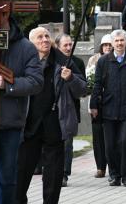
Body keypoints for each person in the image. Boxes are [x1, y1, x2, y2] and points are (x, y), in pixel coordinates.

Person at [16, 27, 87, 204]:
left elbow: (83, 90)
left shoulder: (65, 61)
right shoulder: (24, 61)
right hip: (28, 124)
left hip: (55, 123)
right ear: (31, 42)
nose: (45, 40)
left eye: (47, 36)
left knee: (53, 175)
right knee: (21, 173)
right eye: (39, 37)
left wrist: (71, 78)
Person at [0, 16, 43, 204]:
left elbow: (35, 82)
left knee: (7, 178)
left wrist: (7, 84)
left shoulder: (25, 47)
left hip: (11, 122)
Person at [89, 30, 126, 187]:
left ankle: (125, 175)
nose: (119, 43)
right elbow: (97, 84)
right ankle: (114, 175)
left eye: (122, 40)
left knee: (125, 142)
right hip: (109, 109)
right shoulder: (103, 61)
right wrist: (94, 105)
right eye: (117, 41)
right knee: (110, 145)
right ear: (112, 43)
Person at [55, 34, 86, 187]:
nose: (68, 48)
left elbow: (83, 86)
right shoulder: (52, 61)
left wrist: (71, 78)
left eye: (70, 45)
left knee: (67, 143)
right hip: (54, 108)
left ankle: (64, 174)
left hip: (71, 108)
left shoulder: (77, 62)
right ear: (58, 47)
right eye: (65, 45)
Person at [86, 34, 112, 179]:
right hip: (97, 102)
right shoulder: (94, 59)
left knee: (111, 136)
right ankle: (100, 167)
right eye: (105, 45)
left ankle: (113, 166)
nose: (107, 47)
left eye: (109, 44)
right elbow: (89, 80)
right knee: (97, 136)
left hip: (111, 103)